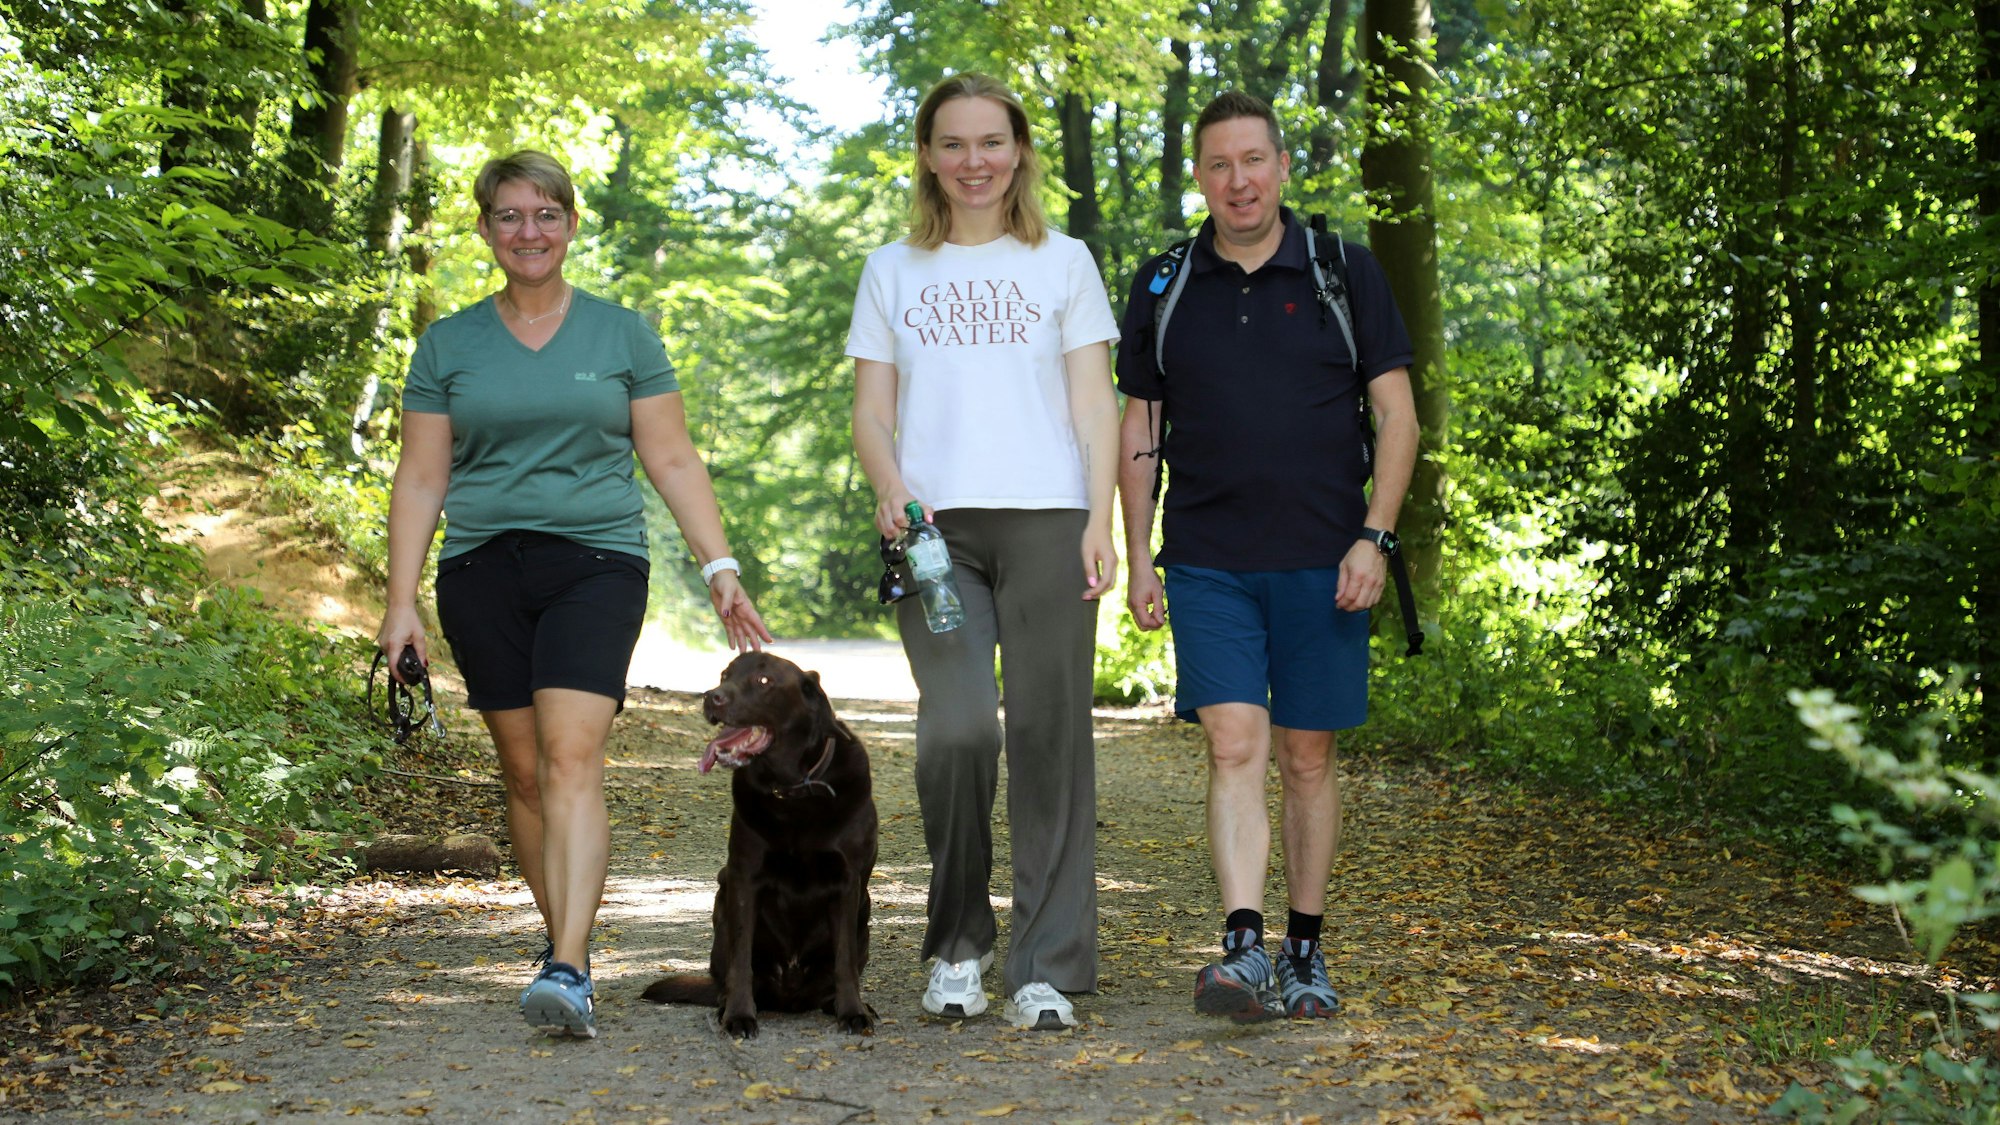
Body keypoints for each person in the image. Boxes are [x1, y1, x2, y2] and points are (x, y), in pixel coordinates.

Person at [376, 150, 772, 1039]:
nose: (529, 232)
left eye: (545, 214)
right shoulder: (448, 344)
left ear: (571, 224)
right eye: (510, 216)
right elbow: (420, 476)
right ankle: (562, 942)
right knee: (522, 771)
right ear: (485, 229)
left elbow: (670, 456)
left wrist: (719, 567)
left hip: (597, 562)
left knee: (569, 757)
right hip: (481, 569)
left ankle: (569, 961)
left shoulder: (622, 335)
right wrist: (400, 601)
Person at [1114, 91, 1420, 1022]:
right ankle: (1242, 948)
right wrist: (1138, 556)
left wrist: (1374, 535)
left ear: (1282, 167)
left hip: (1327, 563)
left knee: (1308, 755)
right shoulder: (1164, 285)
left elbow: (1398, 417)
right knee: (1236, 740)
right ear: (1199, 176)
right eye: (1219, 164)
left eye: (1254, 160)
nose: (1238, 180)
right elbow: (1141, 427)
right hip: (1208, 559)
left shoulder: (1344, 271)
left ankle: (1306, 950)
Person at [846, 73, 1122, 1031]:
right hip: (934, 538)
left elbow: (1097, 402)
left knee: (1052, 738)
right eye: (954, 144)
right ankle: (957, 942)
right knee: (958, 727)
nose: (974, 162)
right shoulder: (891, 270)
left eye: (991, 143)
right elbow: (872, 412)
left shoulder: (1064, 263)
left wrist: (1102, 518)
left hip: (1050, 518)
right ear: (927, 155)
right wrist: (891, 485)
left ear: (1020, 152)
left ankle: (1045, 964)